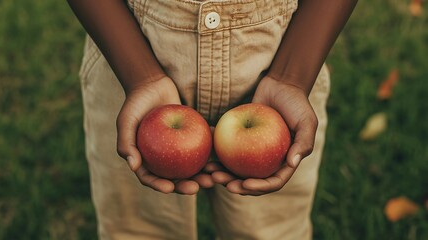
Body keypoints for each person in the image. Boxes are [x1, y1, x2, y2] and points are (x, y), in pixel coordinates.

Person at [67, 0, 357, 239]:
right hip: (128, 48)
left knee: (270, 229)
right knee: (140, 227)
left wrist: (292, 76)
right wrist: (139, 77)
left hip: (282, 46)